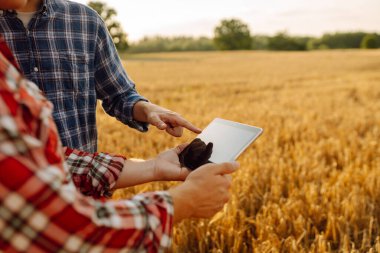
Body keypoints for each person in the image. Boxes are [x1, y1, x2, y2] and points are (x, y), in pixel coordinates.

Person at [0, 4, 239, 252]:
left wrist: (152, 163)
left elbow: (61, 158)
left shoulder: (84, 20)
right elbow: (57, 224)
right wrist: (183, 202)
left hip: (86, 194)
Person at [0, 0, 201, 153]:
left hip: (87, 185)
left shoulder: (85, 20)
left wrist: (148, 110)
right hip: (13, 196)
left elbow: (119, 95)